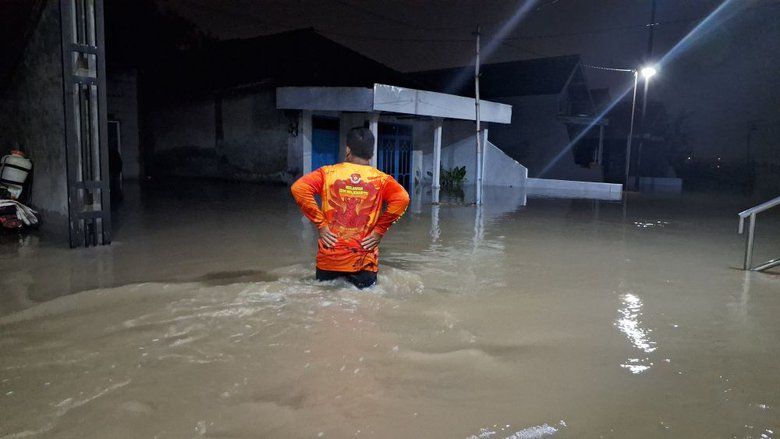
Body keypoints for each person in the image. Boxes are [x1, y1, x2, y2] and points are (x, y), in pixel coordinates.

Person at [291, 126, 410, 289]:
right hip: (363, 263)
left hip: (330, 260)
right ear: (372, 153)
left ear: (348, 149)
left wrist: (321, 225)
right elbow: (402, 199)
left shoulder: (328, 173)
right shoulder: (382, 180)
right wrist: (379, 231)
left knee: (323, 308)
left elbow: (299, 189)